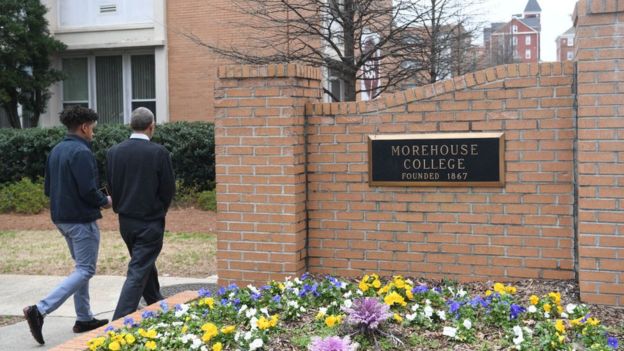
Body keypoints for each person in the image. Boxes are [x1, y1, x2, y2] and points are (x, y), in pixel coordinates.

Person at [23, 106, 112, 345]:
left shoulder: (57, 150)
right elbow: (88, 191)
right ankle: (39, 310)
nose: (93, 132)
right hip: (81, 220)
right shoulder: (82, 152)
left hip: (61, 219)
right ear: (84, 127)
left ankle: (84, 318)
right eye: (92, 127)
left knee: (80, 269)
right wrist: (105, 201)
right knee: (86, 270)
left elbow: (48, 189)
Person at [106, 107, 175, 320]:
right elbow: (168, 189)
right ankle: (117, 323)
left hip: (125, 222)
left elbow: (111, 186)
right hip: (150, 221)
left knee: (143, 263)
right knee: (138, 270)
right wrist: (159, 211)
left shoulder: (113, 152)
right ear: (151, 126)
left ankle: (156, 302)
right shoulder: (159, 152)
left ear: (131, 125)